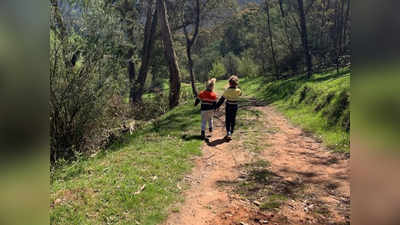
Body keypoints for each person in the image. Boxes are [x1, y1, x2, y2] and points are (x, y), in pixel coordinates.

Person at [215, 75, 242, 140]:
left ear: (229, 83)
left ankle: (228, 132)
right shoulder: (238, 90)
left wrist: (216, 106)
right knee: (233, 119)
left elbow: (222, 99)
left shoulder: (227, 91)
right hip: (235, 106)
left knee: (228, 119)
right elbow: (240, 94)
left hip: (229, 106)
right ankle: (231, 131)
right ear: (236, 83)